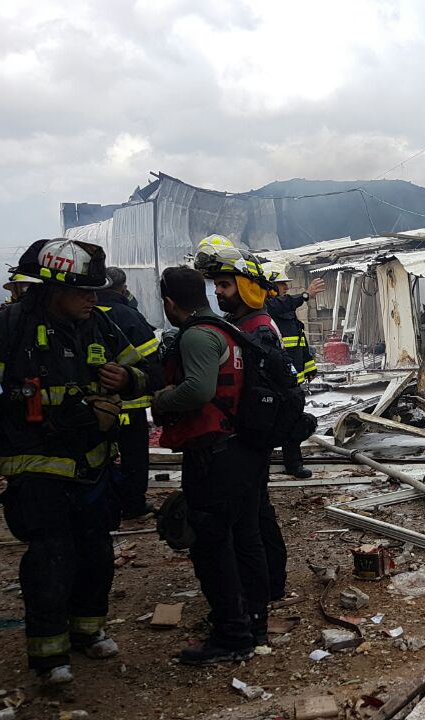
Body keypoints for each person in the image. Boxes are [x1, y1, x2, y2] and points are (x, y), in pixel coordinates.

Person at [0, 238, 159, 684]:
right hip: (34, 465)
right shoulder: (8, 328)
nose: (92, 300)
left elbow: (150, 374)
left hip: (93, 464)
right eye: (83, 292)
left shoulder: (100, 325)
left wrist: (128, 378)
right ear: (53, 289)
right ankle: (48, 654)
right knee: (50, 557)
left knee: (96, 553)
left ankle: (88, 631)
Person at [152, 266, 270, 664]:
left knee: (211, 544)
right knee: (247, 537)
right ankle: (254, 623)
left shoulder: (197, 335)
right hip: (243, 449)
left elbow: (199, 390)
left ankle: (232, 635)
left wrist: (161, 399)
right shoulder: (228, 329)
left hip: (214, 455)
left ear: (170, 303)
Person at [193, 237, 291, 610]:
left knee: (254, 518)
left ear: (247, 287)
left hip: (249, 438)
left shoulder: (257, 329)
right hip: (247, 438)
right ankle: (267, 584)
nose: (218, 292)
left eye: (225, 284)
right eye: (216, 285)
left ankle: (266, 587)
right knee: (256, 512)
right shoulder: (243, 324)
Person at [98, 267, 160, 521]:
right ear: (122, 288)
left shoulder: (84, 314)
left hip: (96, 408)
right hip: (131, 405)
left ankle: (104, 505)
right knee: (134, 457)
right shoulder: (128, 315)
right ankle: (133, 505)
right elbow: (151, 359)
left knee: (100, 456)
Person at [263, 261, 323, 479]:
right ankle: (260, 466)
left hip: (292, 380)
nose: (287, 288)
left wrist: (309, 366)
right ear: (270, 287)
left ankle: (294, 464)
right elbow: (278, 304)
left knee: (293, 421)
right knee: (267, 423)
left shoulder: (288, 313)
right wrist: (305, 295)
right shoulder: (266, 308)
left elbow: (299, 341)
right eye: (282, 284)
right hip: (273, 381)